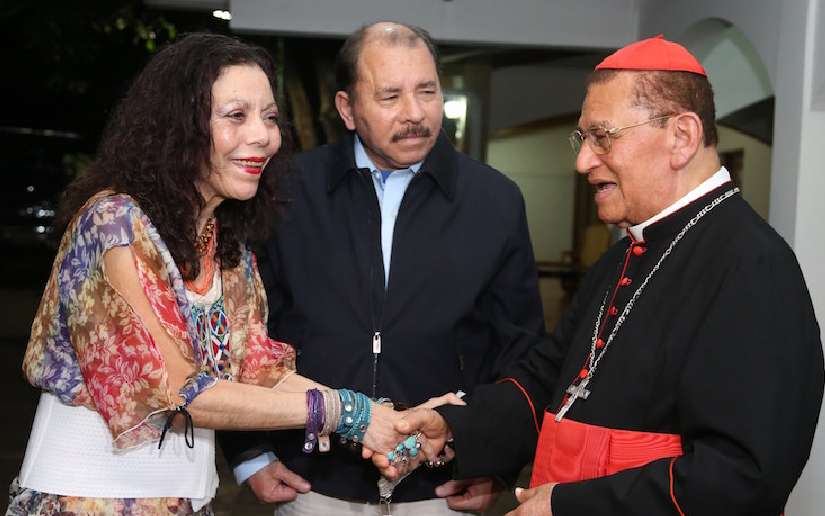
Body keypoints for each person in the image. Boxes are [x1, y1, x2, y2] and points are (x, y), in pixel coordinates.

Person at [382, 35, 825, 515]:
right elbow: (546, 383)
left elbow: (742, 478)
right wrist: (454, 427)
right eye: (583, 138)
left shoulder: (753, 266)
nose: (582, 160)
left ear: (682, 136)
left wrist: (570, 506)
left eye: (602, 136)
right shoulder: (622, 258)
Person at [8, 33, 411, 516]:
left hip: (185, 500)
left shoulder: (227, 247)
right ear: (178, 127)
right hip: (89, 499)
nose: (263, 135)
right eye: (236, 116)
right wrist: (348, 413)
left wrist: (380, 418)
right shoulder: (114, 223)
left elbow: (259, 373)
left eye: (269, 117)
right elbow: (176, 392)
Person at [218, 21, 546, 515]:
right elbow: (242, 332)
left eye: (427, 92)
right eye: (390, 96)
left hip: (439, 490)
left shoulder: (494, 200)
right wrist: (248, 456)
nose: (415, 114)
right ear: (348, 109)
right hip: (309, 485)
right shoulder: (285, 191)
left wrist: (494, 461)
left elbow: (520, 349)